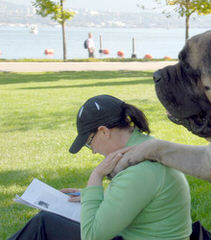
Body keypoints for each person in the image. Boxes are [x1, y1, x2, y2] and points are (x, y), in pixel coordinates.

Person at [8, 94, 192, 240]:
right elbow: (136, 200)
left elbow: (92, 236)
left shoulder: (139, 170)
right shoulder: (145, 148)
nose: (93, 151)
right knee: (50, 221)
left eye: (89, 143)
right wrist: (92, 197)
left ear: (104, 132)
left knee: (44, 224)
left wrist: (96, 176)